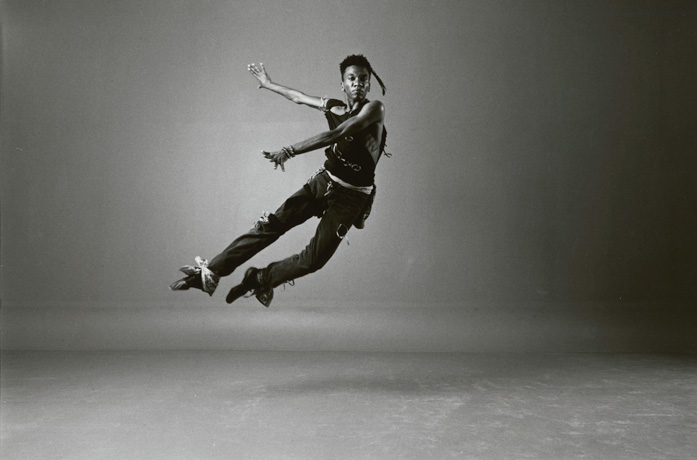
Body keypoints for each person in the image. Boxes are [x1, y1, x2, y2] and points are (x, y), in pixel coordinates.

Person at [170, 54, 388, 307]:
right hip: (325, 182)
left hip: (352, 196)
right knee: (271, 225)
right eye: (352, 78)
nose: (358, 83)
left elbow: (338, 133)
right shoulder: (334, 106)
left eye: (363, 79)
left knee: (314, 259)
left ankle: (262, 277)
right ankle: (210, 272)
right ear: (343, 84)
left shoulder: (375, 109)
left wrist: (290, 150)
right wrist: (268, 83)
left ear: (370, 84)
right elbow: (298, 97)